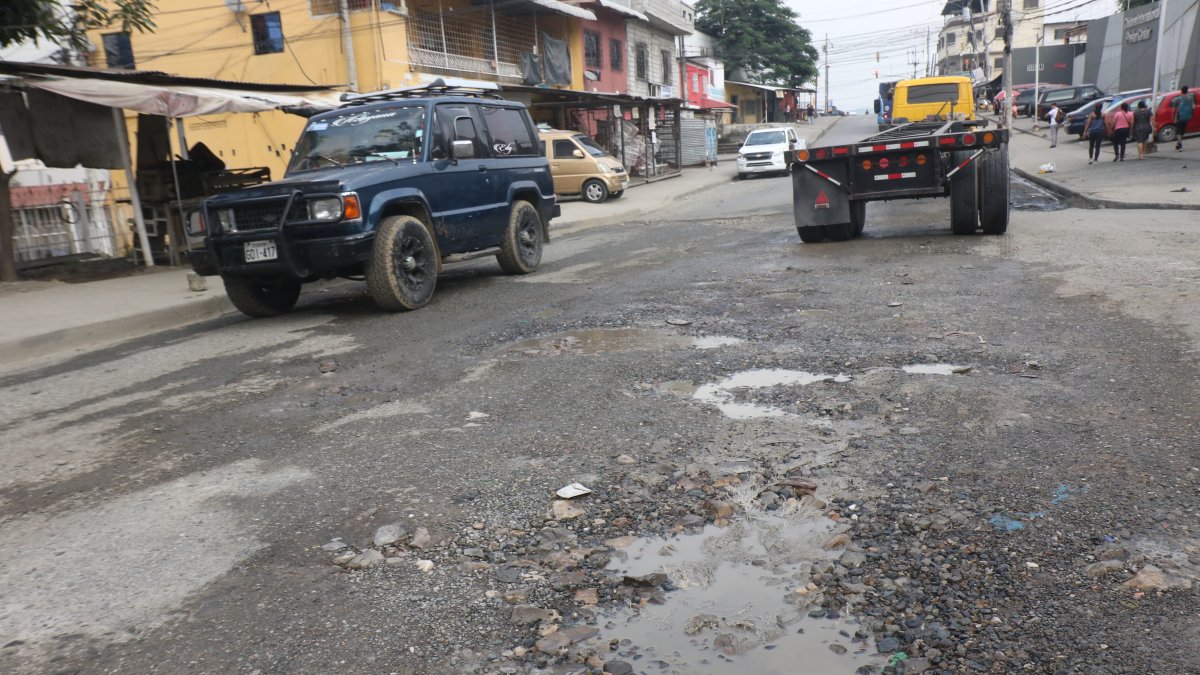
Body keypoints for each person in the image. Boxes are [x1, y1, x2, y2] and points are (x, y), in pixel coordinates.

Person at [1170, 85, 1195, 151]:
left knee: (1179, 130)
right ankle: (1178, 144)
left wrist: (1173, 117)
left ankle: (1180, 145)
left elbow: (1174, 110)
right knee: (1183, 130)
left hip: (1179, 117)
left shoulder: (1177, 99)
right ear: (1187, 91)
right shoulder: (1191, 98)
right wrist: (1191, 114)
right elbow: (1193, 107)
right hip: (1187, 116)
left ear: (1181, 91)